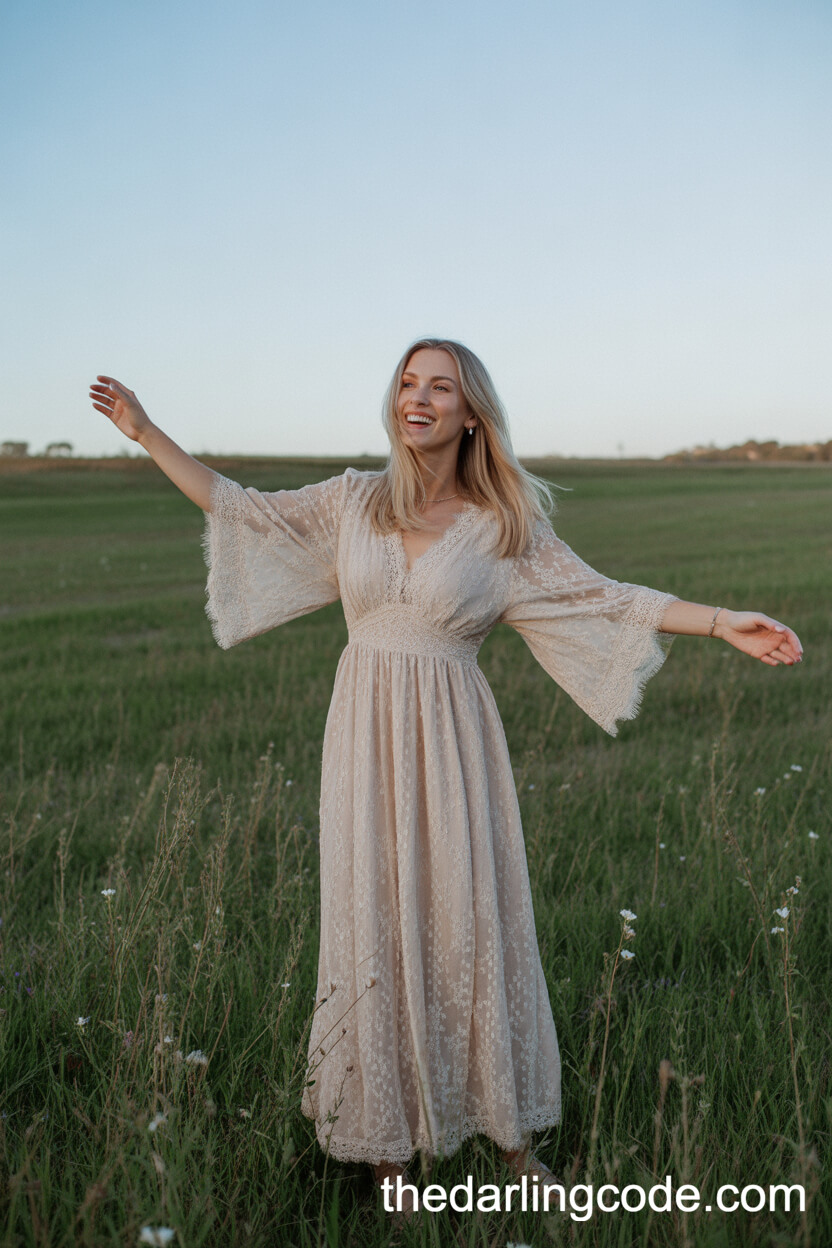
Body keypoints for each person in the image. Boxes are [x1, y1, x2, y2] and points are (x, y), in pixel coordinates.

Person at [90, 339, 802, 1218]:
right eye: (407, 382)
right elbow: (242, 510)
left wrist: (725, 621)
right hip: (363, 739)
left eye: (440, 388)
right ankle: (387, 1148)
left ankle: (511, 1140)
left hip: (455, 742)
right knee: (372, 919)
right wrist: (146, 432)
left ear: (471, 414)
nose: (418, 398)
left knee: (470, 922)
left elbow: (606, 597)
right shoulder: (353, 499)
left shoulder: (503, 528)